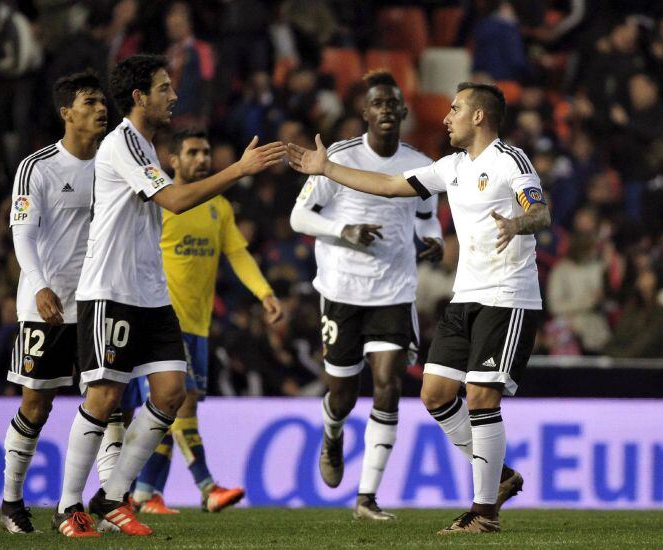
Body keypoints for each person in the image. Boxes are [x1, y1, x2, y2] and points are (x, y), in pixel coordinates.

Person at [287, 81, 551, 534]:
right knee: (434, 394)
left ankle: (483, 514)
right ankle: (502, 475)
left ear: (479, 117)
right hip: (465, 294)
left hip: (507, 296)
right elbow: (389, 186)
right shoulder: (451, 167)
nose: (446, 117)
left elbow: (540, 210)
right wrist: (327, 169)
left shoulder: (510, 160)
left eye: (455, 109)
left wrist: (518, 222)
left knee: (481, 397)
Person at [52, 54, 284, 538]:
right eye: (164, 88)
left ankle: (112, 497)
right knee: (104, 396)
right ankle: (68, 506)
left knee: (172, 392)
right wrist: (238, 169)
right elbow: (175, 200)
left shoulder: (147, 147)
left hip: (149, 293)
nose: (173, 97)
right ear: (139, 97)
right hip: (110, 291)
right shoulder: (123, 144)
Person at [288, 70, 443, 521]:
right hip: (341, 290)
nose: (387, 111)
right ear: (365, 112)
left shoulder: (419, 163)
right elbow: (299, 217)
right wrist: (344, 230)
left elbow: (426, 216)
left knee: (388, 386)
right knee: (342, 394)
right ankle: (332, 433)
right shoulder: (337, 158)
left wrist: (430, 237)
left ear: (405, 111)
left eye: (394, 104)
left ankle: (367, 497)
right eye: (378, 103)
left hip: (393, 290)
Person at [125, 128, 283, 515]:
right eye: (192, 152)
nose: (201, 158)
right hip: (163, 322)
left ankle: (145, 493)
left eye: (206, 151)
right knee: (183, 403)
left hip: (199, 326)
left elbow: (238, 255)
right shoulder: (159, 203)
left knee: (168, 411)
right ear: (173, 161)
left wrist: (264, 293)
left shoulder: (219, 207)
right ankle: (207, 486)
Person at [0, 71, 125, 534]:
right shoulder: (38, 167)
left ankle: (108, 502)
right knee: (38, 404)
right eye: (90, 101)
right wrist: (38, 284)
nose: (101, 108)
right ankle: (12, 501)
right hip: (47, 305)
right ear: (66, 113)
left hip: (99, 301)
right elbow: (23, 235)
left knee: (109, 399)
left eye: (103, 101)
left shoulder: (114, 161)